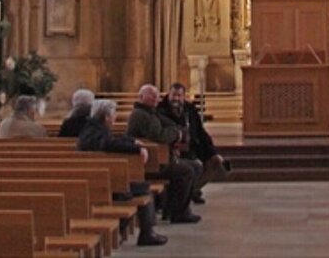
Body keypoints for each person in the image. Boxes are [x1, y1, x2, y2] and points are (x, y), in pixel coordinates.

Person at [77, 98, 167, 248]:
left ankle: (122, 229)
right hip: (103, 186)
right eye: (113, 115)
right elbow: (107, 143)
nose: (115, 118)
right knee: (144, 189)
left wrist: (131, 141)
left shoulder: (92, 129)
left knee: (133, 188)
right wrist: (137, 149)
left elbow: (111, 140)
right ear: (106, 117)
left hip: (94, 182)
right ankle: (147, 233)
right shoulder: (95, 132)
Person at [126, 83, 200, 224]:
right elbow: (160, 136)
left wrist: (176, 130)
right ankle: (179, 213)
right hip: (149, 164)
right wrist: (177, 133)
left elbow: (170, 125)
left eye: (157, 95)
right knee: (186, 171)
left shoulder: (150, 112)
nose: (155, 98)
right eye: (151, 95)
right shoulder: (141, 115)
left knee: (195, 166)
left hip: (158, 159)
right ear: (141, 97)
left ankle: (173, 208)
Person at [158, 82, 226, 202]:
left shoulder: (189, 109)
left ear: (184, 96)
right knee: (192, 167)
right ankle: (187, 193)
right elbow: (160, 135)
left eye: (179, 96)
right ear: (169, 95)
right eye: (174, 95)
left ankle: (192, 190)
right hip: (172, 151)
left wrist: (213, 152)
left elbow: (200, 132)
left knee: (217, 163)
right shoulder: (160, 110)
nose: (176, 98)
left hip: (192, 148)